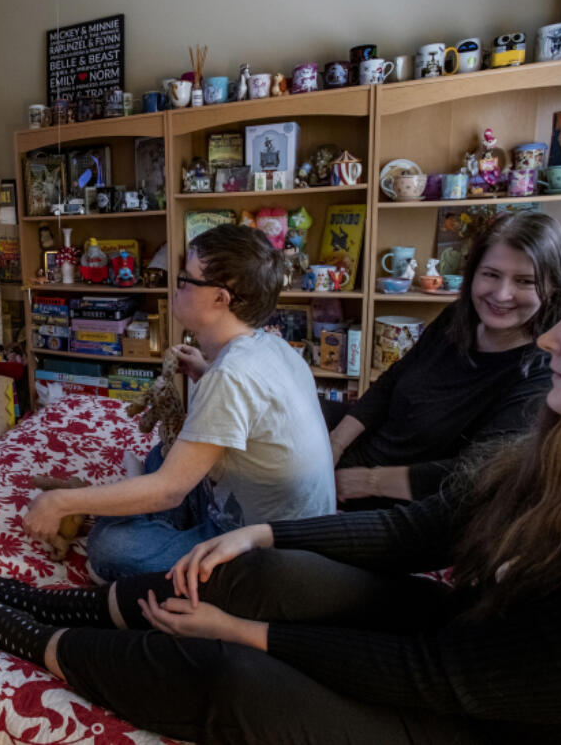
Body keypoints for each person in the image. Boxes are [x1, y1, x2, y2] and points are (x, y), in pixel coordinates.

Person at [0, 233, 561, 744]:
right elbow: (416, 531)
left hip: (494, 712)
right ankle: (64, 602)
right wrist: (268, 534)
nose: (547, 337)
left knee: (234, 675)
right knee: (261, 570)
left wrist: (244, 633)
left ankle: (38, 637)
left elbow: (442, 679)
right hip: (467, 632)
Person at [24, 224, 335, 581]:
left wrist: (60, 502)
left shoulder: (231, 375)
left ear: (222, 298)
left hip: (266, 553)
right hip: (273, 515)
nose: (178, 286)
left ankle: (139, 514)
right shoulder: (270, 345)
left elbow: (171, 491)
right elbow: (255, 411)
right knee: (162, 453)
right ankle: (138, 507)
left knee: (111, 548)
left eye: (186, 280)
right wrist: (204, 371)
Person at [332, 211, 561, 507]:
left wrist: (367, 482)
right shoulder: (457, 318)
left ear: (552, 289)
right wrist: (336, 443)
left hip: (398, 506)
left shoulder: (542, 372)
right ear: (473, 273)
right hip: (360, 463)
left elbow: (474, 472)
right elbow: (393, 381)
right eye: (491, 274)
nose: (502, 294)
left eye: (525, 281)